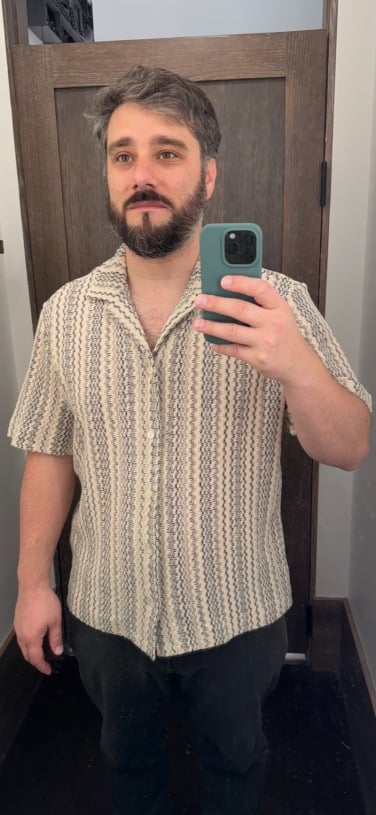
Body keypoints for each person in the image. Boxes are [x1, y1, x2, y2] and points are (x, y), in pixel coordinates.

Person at [8, 65, 371, 815]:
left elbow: (350, 446)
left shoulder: (280, 302)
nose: (142, 174)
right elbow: (50, 449)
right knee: (127, 768)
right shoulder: (66, 314)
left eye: (167, 153)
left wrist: (295, 362)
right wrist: (33, 582)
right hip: (108, 613)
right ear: (108, 176)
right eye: (123, 155)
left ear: (209, 176)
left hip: (236, 614)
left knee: (237, 767)